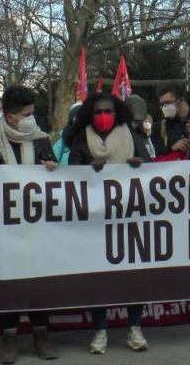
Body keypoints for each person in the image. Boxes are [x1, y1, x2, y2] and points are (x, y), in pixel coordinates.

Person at [0, 85, 58, 364]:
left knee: (38, 283)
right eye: (27, 113)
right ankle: (9, 337)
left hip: (37, 225)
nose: (32, 118)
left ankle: (40, 336)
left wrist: (52, 168)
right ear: (11, 117)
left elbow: (54, 166)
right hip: (5, 229)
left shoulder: (41, 137)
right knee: (8, 282)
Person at [67, 93, 150, 355]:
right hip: (95, 220)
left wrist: (140, 164)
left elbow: (150, 167)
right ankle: (100, 331)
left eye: (109, 111)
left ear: (119, 114)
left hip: (128, 217)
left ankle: (135, 328)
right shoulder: (82, 138)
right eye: (99, 111)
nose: (104, 116)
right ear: (90, 114)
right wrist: (86, 167)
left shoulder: (131, 135)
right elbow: (71, 171)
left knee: (133, 276)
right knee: (98, 277)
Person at [152, 87, 190, 156]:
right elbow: (154, 152)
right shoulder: (158, 127)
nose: (164, 107)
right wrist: (171, 148)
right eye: (162, 104)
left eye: (168, 103)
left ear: (180, 101)